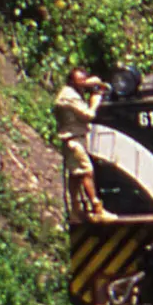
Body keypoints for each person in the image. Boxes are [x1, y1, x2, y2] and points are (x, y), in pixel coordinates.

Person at [55, 68, 114, 222]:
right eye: (80, 81)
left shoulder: (74, 93)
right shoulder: (69, 97)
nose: (83, 84)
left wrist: (96, 83)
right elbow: (88, 115)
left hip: (76, 138)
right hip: (73, 140)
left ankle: (76, 211)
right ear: (72, 81)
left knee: (75, 176)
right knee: (87, 171)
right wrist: (95, 101)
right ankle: (97, 208)